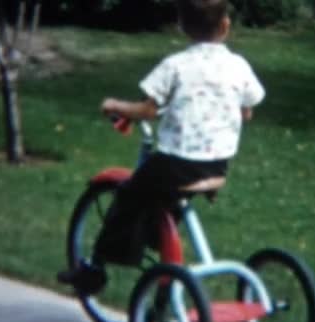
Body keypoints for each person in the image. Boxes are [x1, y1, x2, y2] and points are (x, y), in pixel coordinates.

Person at [57, 0, 265, 294]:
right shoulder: (238, 65)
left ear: (181, 26)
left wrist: (117, 106)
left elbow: (148, 110)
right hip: (217, 164)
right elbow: (247, 111)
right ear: (226, 26)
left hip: (176, 165)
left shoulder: (175, 65)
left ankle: (95, 269)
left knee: (129, 195)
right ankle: (156, 238)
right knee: (159, 192)